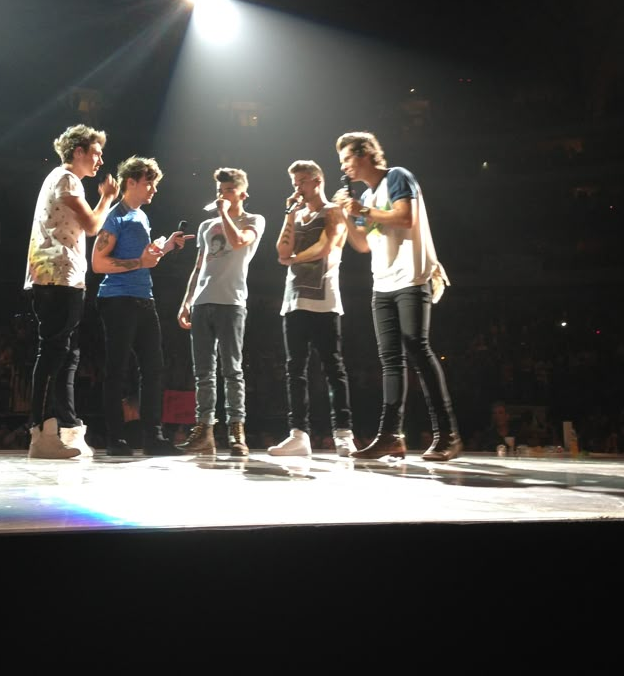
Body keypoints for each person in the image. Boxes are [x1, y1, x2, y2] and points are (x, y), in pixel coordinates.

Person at [334, 131, 462, 462]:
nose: (344, 166)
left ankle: (448, 435)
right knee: (391, 361)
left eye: (347, 158)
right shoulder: (366, 195)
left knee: (417, 348)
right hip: (383, 281)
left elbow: (406, 217)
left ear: (364, 155)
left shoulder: (398, 177)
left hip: (412, 276)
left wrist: (364, 209)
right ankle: (390, 436)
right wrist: (348, 216)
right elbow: (362, 244)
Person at [25, 124, 119, 459]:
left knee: (67, 355)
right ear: (78, 151)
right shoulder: (66, 179)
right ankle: (41, 431)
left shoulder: (63, 179)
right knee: (54, 353)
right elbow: (93, 226)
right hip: (56, 277)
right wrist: (108, 196)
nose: (99, 160)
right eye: (95, 153)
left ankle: (65, 426)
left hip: (64, 277)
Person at [92, 155, 194, 456]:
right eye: (149, 183)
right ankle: (115, 438)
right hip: (117, 299)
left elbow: (146, 258)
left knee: (154, 369)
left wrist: (165, 247)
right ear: (131, 182)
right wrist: (141, 261)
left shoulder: (142, 217)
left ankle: (153, 436)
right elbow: (98, 263)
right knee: (118, 369)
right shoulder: (115, 217)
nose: (154, 189)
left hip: (143, 297)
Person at [268, 159, 356, 458]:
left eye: (301, 181)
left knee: (333, 368)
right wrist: (289, 215)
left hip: (325, 299)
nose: (297, 188)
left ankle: (343, 433)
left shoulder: (333, 211)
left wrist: (294, 259)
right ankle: (298, 434)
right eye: (294, 183)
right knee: (296, 370)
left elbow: (327, 245)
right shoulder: (297, 213)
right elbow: (281, 249)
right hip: (294, 300)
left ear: (317, 180)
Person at [177, 167, 265, 456]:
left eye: (229, 190)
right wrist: (186, 300)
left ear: (243, 194)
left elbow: (240, 241)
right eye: (220, 190)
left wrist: (225, 213)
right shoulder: (205, 227)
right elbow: (199, 265)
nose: (222, 196)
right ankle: (204, 431)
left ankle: (237, 432)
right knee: (203, 372)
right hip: (203, 302)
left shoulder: (254, 220)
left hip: (232, 301)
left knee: (232, 370)